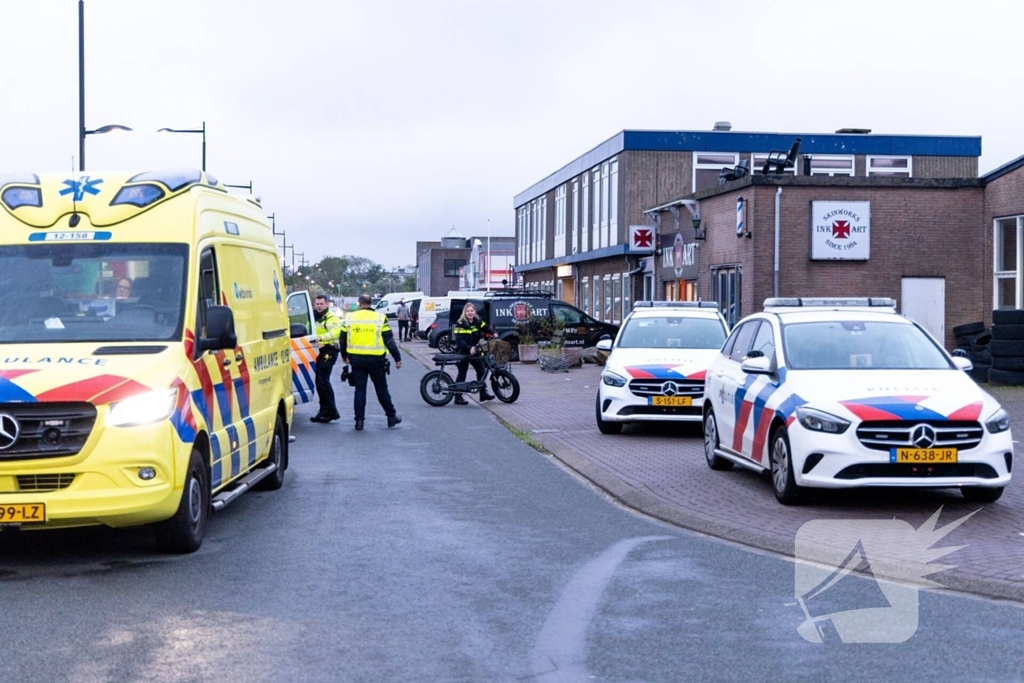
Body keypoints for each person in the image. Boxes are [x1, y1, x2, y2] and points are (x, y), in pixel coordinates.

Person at [340, 293, 403, 431]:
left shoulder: (349, 317)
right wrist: (397, 358)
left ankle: (359, 422)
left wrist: (344, 355)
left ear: (359, 303)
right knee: (381, 390)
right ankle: (391, 417)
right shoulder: (380, 318)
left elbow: (342, 338)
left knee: (360, 390)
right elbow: (389, 340)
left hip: (356, 359)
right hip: (376, 360)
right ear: (370, 303)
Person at [452, 302, 495, 405]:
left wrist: (494, 332)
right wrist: (468, 348)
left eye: (471, 311)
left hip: (474, 351)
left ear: (474, 312)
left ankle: (483, 393)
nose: (470, 313)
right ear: (465, 312)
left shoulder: (477, 321)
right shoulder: (461, 323)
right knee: (462, 373)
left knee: (481, 370)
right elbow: (459, 341)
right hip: (462, 352)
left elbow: (486, 327)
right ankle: (458, 397)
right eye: (468, 311)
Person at [310, 294, 343, 423]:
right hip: (317, 350)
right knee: (319, 381)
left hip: (330, 350)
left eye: (321, 304)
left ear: (327, 304)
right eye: (317, 304)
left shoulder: (331, 317)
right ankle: (323, 410)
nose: (319, 306)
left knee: (323, 380)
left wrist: (322, 338)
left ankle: (332, 411)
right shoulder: (314, 316)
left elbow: (336, 332)